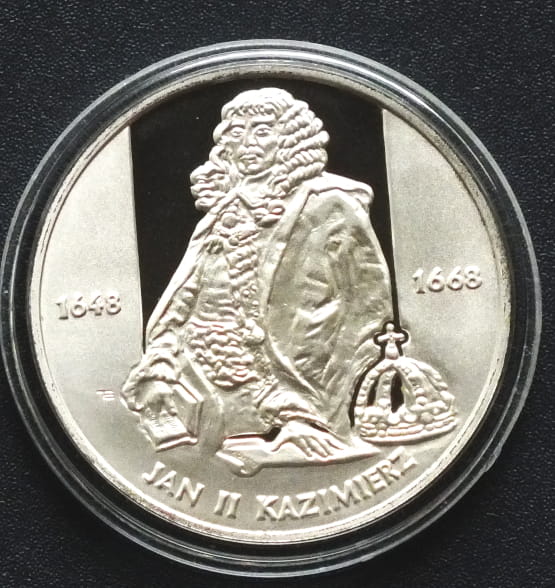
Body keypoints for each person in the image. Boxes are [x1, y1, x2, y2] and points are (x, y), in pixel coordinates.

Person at [122, 88, 392, 463]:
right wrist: (161, 360)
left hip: (290, 395)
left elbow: (367, 312)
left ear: (291, 139)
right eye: (237, 132)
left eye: (263, 130)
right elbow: (185, 294)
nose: (248, 143)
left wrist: (316, 412)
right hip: (201, 384)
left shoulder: (329, 204)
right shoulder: (223, 211)